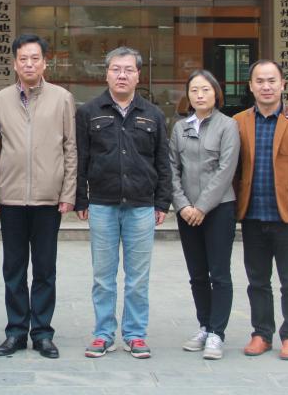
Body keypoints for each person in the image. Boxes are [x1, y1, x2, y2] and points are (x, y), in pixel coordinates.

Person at [75, 46, 171, 360]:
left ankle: (135, 334)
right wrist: (81, 198)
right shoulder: (89, 112)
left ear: (138, 75)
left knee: (138, 278)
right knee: (103, 277)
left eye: (128, 70)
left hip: (141, 206)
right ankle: (103, 334)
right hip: (102, 205)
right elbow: (81, 159)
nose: (122, 75)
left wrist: (162, 202)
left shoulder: (153, 115)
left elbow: (162, 162)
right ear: (106, 74)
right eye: (116, 69)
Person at [0, 34, 76, 359]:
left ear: (45, 62)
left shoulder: (62, 98)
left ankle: (42, 333)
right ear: (14, 64)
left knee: (44, 270)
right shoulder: (1, 100)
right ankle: (15, 331)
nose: (29, 64)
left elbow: (70, 148)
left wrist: (68, 192)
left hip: (47, 200)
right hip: (11, 199)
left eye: (35, 58)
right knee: (13, 269)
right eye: (23, 59)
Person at [233, 60, 288, 361]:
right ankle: (261, 334)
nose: (266, 87)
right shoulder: (239, 121)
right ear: (251, 86)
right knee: (257, 280)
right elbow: (233, 168)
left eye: (272, 81)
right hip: (253, 214)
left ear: (283, 84)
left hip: (287, 216)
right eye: (260, 81)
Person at [169, 69, 241, 361]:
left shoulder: (228, 126)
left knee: (219, 273)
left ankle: (217, 333)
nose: (199, 95)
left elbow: (226, 170)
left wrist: (202, 207)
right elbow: (172, 168)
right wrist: (183, 205)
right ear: (188, 96)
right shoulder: (179, 128)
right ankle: (204, 325)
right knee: (197, 274)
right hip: (187, 212)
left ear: (216, 94)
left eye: (205, 90)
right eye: (194, 90)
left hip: (219, 208)